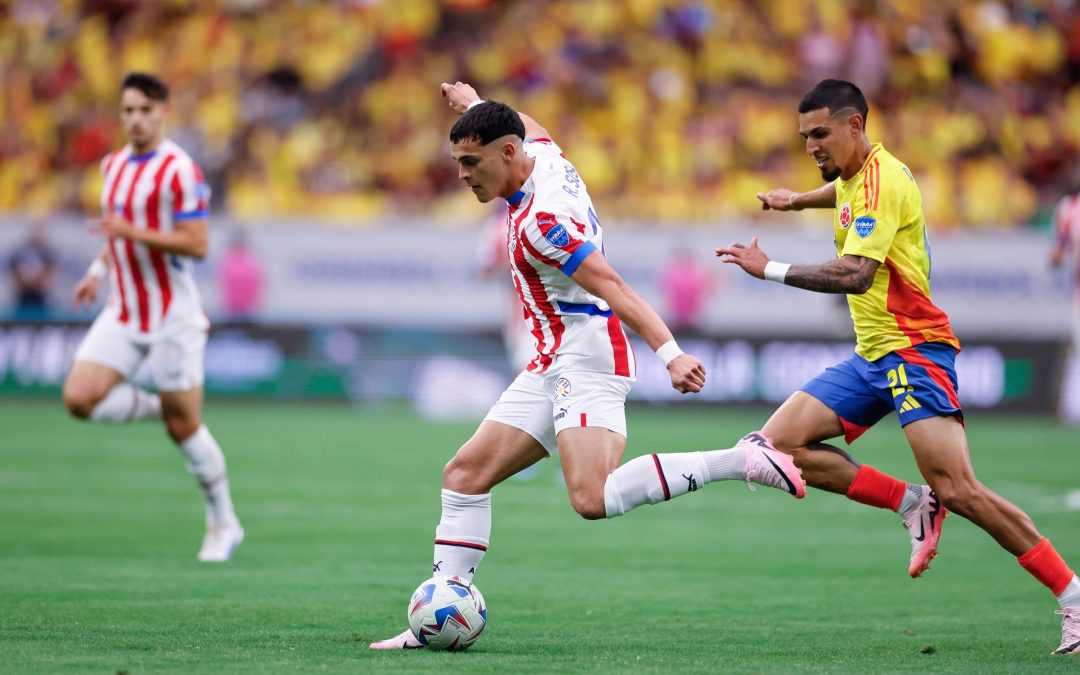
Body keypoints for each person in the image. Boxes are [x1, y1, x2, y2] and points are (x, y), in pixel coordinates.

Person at [370, 82, 808, 650]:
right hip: (551, 357)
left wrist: (670, 354)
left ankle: (740, 459)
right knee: (464, 475)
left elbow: (613, 286)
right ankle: (439, 612)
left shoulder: (543, 223)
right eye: (457, 162)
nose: (461, 175)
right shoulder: (542, 156)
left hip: (590, 353)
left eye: (469, 162)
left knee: (591, 498)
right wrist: (475, 102)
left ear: (506, 153)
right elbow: (528, 122)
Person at [718, 79, 1080, 656]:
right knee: (773, 446)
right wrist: (797, 200)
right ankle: (910, 503)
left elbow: (856, 274)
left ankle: (1073, 596)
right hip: (872, 357)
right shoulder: (856, 178)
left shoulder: (884, 180)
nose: (810, 145)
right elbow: (845, 190)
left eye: (820, 134)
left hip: (914, 351)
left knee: (960, 489)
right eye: (803, 136)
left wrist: (769, 269)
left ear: (855, 125)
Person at [61, 72, 243, 562]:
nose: (136, 119)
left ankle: (223, 523)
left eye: (145, 109)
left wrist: (133, 231)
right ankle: (166, 406)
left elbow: (198, 244)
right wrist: (97, 269)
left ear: (163, 111)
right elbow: (114, 233)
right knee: (79, 398)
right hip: (123, 307)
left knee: (185, 430)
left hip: (172, 316)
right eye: (127, 110)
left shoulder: (181, 170)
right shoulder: (113, 165)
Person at [8, 218, 57, 320]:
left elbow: (49, 272)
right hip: (23, 295)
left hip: (40, 296)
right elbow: (14, 271)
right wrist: (26, 282)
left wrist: (35, 281)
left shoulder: (47, 253)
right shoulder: (20, 251)